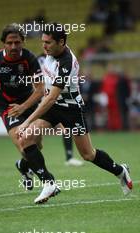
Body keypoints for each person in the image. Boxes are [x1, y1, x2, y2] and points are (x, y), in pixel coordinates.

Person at [16, 23, 133, 204]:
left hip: (71, 109)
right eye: (42, 42)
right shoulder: (49, 54)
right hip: (54, 107)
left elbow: (51, 98)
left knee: (88, 155)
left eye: (48, 42)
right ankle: (48, 183)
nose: (44, 46)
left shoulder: (67, 63)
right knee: (26, 139)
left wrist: (26, 121)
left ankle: (120, 171)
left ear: (61, 42)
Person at [0, 23, 44, 190]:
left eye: (17, 42)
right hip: (7, 106)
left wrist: (24, 107)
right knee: (24, 145)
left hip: (28, 102)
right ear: (4, 43)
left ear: (23, 41)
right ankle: (48, 182)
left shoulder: (30, 59)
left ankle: (23, 167)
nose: (13, 46)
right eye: (9, 43)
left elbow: (40, 90)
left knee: (36, 146)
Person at [37, 52, 83, 166]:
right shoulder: (40, 60)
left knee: (65, 130)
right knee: (36, 139)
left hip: (53, 100)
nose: (47, 46)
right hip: (44, 100)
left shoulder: (62, 60)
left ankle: (69, 157)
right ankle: (27, 163)